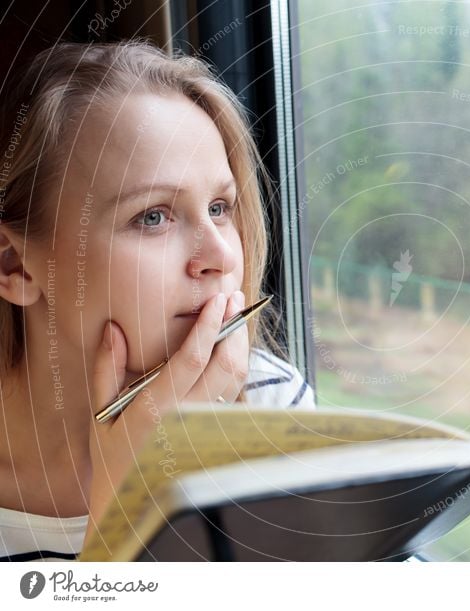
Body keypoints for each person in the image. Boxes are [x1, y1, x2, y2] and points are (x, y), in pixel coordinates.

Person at [0, 40, 315, 561]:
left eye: (219, 207)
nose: (219, 256)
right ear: (14, 265)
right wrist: (129, 514)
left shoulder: (272, 404)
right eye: (152, 216)